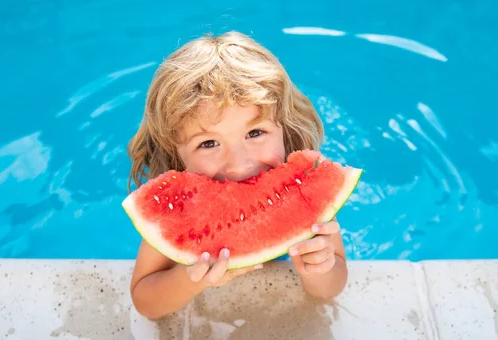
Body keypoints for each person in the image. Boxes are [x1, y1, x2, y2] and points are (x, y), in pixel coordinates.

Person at [127, 31, 348, 320]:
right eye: (208, 143)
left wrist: (322, 268)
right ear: (175, 155)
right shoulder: (181, 215)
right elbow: (146, 303)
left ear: (285, 129)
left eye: (255, 132)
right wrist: (190, 279)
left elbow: (329, 290)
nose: (239, 164)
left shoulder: (303, 195)